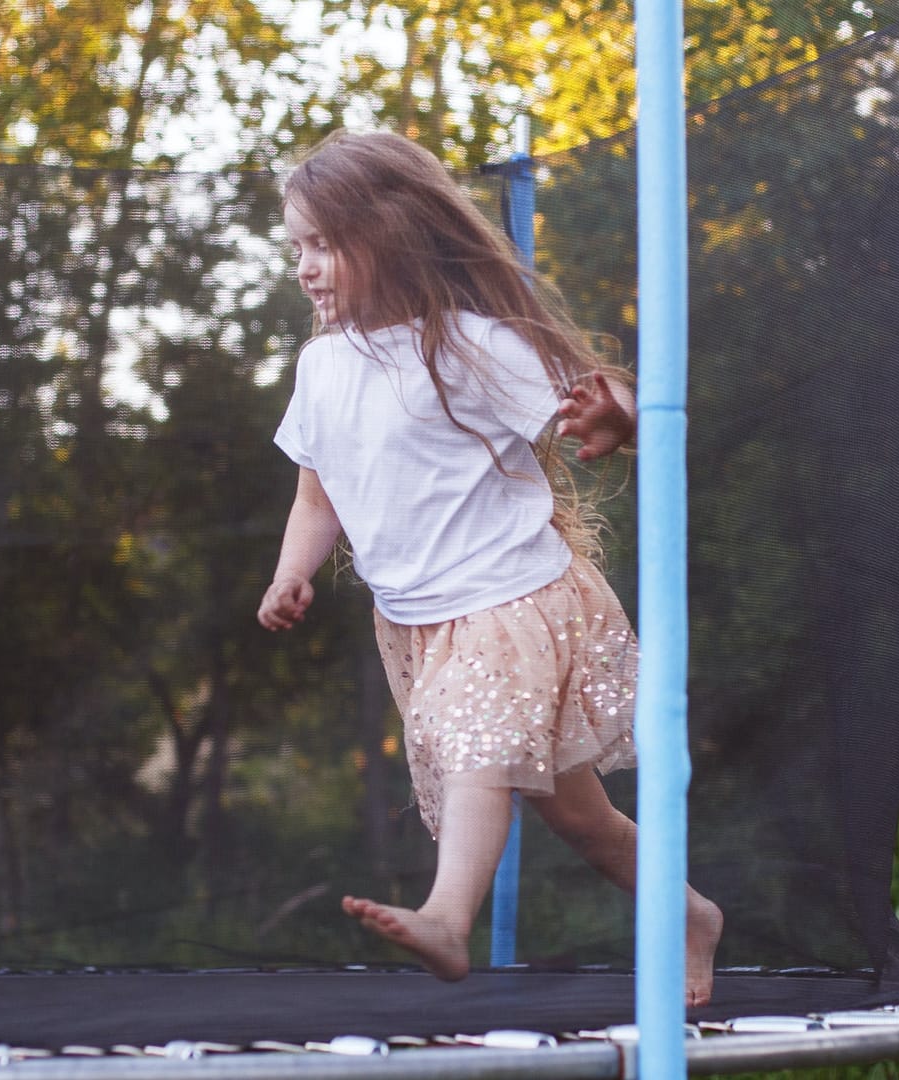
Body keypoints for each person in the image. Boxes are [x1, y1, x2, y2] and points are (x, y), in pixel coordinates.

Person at [256, 129, 723, 1007]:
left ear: (389, 235)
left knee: (474, 746)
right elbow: (316, 496)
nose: (305, 268)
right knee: (581, 821)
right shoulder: (320, 366)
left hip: (511, 601)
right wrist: (292, 573)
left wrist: (613, 415)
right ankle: (690, 914)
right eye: (297, 249)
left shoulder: (466, 344)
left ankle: (445, 915)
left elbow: (586, 405)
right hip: (418, 620)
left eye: (323, 245)